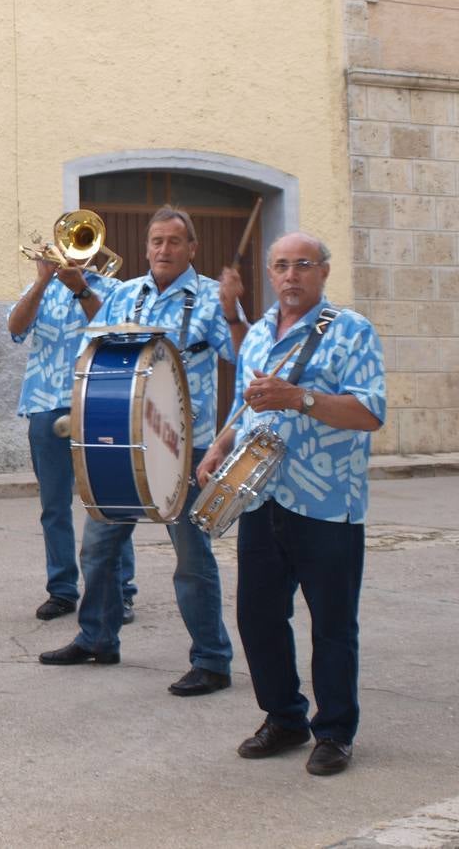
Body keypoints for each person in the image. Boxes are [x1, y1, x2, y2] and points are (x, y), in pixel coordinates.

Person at [39, 206, 247, 697]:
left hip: (184, 449)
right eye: (156, 241)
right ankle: (98, 638)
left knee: (192, 559)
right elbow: (100, 342)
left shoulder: (209, 300)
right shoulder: (126, 292)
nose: (163, 250)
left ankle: (213, 660)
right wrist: (84, 291)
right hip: (122, 441)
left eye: (174, 242)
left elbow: (242, 355)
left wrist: (235, 310)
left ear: (191, 248)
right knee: (98, 549)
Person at [198, 232, 385, 776]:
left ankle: (335, 732)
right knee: (257, 617)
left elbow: (370, 412)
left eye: (303, 264)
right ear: (270, 273)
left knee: (331, 624)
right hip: (261, 497)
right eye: (281, 266)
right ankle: (283, 717)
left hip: (328, 504)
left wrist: (299, 398)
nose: (291, 275)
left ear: (324, 271)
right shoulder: (256, 331)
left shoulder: (352, 331)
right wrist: (218, 447)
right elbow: (242, 408)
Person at [8, 257, 139, 623]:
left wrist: (80, 287)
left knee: (110, 503)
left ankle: (119, 592)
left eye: (80, 244)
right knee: (54, 506)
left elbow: (116, 334)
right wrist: (40, 282)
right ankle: (62, 590)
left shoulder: (113, 288)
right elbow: (16, 329)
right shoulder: (41, 288)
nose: (72, 252)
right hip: (45, 402)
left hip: (99, 400)